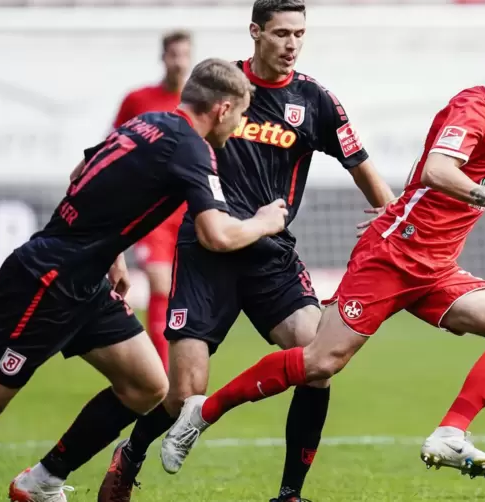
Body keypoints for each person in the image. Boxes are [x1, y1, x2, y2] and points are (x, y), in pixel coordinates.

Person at [161, 30, 485, 480]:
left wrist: (406, 203)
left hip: (434, 267)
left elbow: (423, 169)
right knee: (319, 362)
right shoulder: (475, 109)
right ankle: (202, 414)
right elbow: (436, 169)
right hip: (394, 258)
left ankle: (450, 433)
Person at [0, 58, 287, 502]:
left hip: (86, 282)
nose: (239, 125)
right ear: (223, 109)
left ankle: (41, 481)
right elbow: (217, 235)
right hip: (46, 283)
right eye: (240, 114)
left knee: (146, 385)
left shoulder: (149, 122)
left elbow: (82, 172)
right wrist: (264, 222)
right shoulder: (191, 147)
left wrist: (111, 251)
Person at [96, 1, 395, 502]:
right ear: (255, 32)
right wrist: (118, 240)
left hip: (271, 256)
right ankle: (131, 454)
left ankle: (289, 494)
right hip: (206, 253)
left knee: (317, 361)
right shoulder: (220, 86)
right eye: (281, 34)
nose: (292, 45)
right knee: (183, 393)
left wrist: (394, 228)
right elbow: (164, 154)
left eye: (300, 34)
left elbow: (362, 167)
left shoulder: (316, 101)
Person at [113, 30, 193, 372]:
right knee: (160, 283)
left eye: (184, 55)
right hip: (153, 212)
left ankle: (176, 368)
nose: (178, 62)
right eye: (173, 54)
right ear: (163, 57)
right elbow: (116, 144)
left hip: (190, 209)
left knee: (182, 291)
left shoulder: (200, 101)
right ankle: (162, 374)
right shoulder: (138, 99)